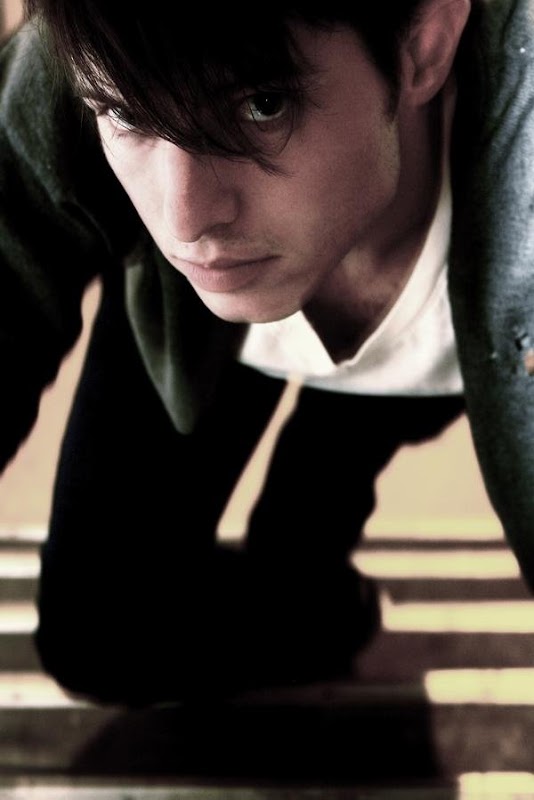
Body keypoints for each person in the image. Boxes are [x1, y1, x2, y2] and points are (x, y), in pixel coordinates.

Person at [0, 0, 531, 707]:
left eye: (262, 105)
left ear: (424, 46)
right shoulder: (94, 37)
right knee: (96, 635)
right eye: (125, 116)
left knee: (317, 492)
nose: (185, 220)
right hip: (188, 327)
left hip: (428, 364)